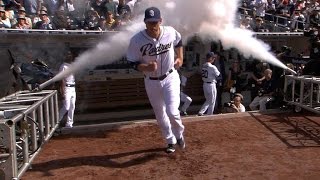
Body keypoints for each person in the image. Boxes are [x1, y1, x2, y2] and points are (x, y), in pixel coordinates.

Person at [126, 6, 185, 153]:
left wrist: (181, 58)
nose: (153, 25)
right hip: (151, 81)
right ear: (145, 22)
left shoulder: (170, 31)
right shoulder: (137, 40)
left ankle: (179, 134)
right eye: (150, 22)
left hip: (170, 77)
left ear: (161, 21)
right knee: (160, 114)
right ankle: (170, 141)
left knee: (173, 111)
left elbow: (179, 42)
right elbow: (132, 63)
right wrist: (145, 67)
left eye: (155, 22)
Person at [198, 52, 220, 116]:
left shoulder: (203, 65)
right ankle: (210, 114)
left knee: (208, 100)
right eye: (213, 58)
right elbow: (218, 75)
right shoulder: (212, 67)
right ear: (210, 58)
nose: (214, 59)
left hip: (205, 84)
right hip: (211, 85)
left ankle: (201, 111)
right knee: (212, 101)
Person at [58, 50, 76, 128]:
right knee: (66, 107)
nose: (69, 56)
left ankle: (69, 124)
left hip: (73, 88)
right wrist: (62, 92)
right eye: (67, 55)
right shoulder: (63, 66)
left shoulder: (72, 65)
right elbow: (61, 80)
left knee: (72, 106)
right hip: (67, 88)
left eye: (70, 54)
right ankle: (56, 121)